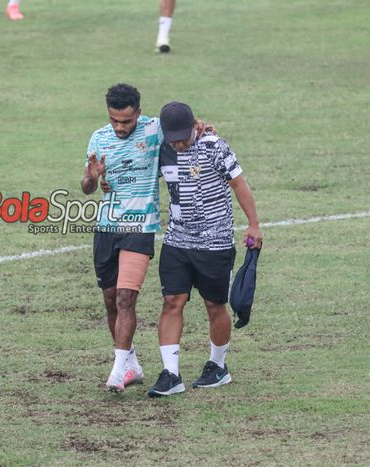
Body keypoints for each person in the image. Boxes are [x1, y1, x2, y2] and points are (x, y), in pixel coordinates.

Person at [147, 102, 263, 397]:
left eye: (183, 137)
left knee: (214, 305)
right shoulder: (163, 149)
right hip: (177, 240)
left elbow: (238, 184)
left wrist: (253, 225)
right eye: (173, 138)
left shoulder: (214, 146)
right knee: (172, 301)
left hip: (215, 242)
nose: (179, 143)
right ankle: (170, 374)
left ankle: (218, 366)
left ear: (193, 127)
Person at [81, 83, 165, 393]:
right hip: (106, 228)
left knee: (126, 298)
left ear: (139, 114)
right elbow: (87, 187)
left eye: (126, 121)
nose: (119, 127)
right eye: (114, 120)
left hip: (140, 227)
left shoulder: (155, 129)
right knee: (110, 301)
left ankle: (117, 373)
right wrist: (91, 177)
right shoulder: (99, 137)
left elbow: (185, 125)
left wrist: (201, 125)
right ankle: (130, 363)